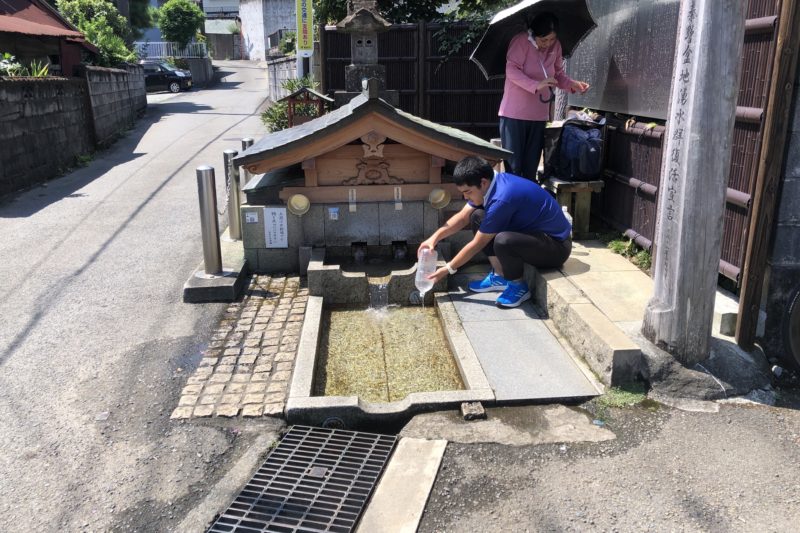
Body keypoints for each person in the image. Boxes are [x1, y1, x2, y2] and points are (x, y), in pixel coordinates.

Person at [419, 156, 572, 308]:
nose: (465, 197)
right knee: (477, 216)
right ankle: (500, 276)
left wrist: (447, 269)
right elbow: (462, 217)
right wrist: (433, 239)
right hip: (535, 236)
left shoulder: (502, 198)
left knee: (503, 240)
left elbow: (477, 244)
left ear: (483, 183)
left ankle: (518, 286)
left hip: (556, 247)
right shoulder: (492, 183)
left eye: (468, 192)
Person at [499, 12, 590, 181]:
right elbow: (511, 71)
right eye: (543, 40)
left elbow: (558, 75)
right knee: (513, 166)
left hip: (539, 115)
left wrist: (572, 84)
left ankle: (529, 205)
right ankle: (513, 204)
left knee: (530, 166)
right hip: (514, 114)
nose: (547, 44)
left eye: (551, 39)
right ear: (534, 34)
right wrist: (536, 85)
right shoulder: (521, 41)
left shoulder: (556, 47)